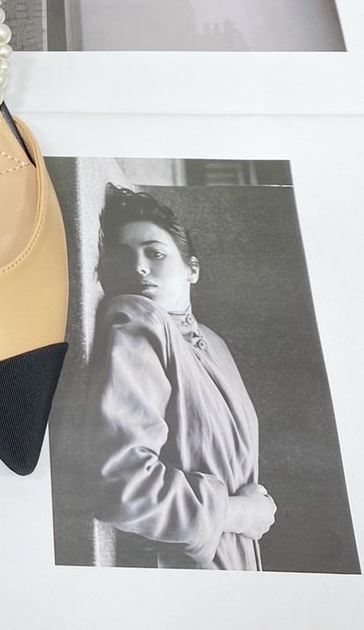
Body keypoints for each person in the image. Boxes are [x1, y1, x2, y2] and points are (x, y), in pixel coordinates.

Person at [85, 183, 275, 570]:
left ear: (193, 269)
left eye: (154, 253)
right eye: (123, 256)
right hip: (180, 571)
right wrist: (241, 514)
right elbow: (125, 486)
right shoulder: (137, 317)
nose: (139, 267)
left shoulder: (215, 344)